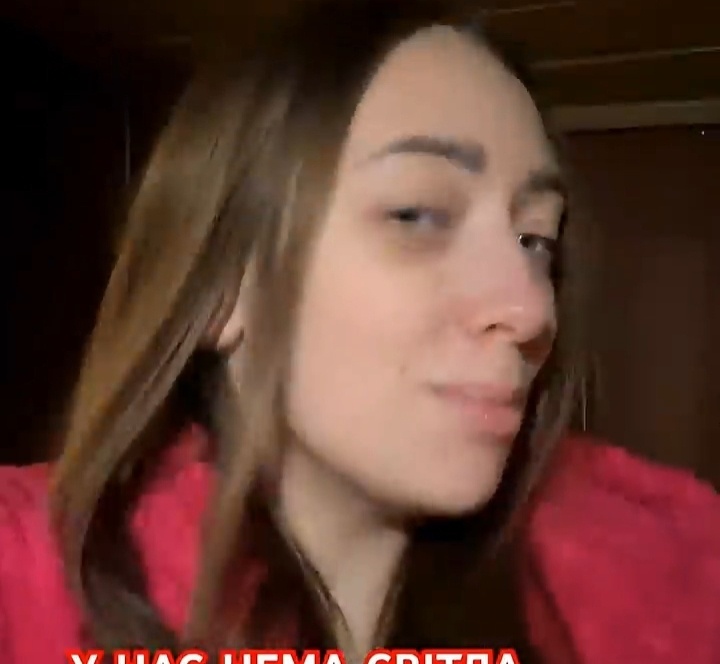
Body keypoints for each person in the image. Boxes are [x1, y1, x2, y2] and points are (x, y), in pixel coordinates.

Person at [1, 1, 718, 662]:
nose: (531, 309)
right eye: (417, 215)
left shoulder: (666, 573)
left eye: (537, 240)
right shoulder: (23, 578)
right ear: (220, 288)